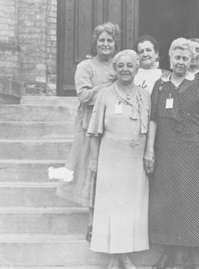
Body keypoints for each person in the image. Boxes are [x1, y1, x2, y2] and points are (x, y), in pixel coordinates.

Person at [144, 38, 199, 269]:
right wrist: (149, 151)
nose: (181, 62)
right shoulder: (161, 86)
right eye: (177, 58)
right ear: (170, 59)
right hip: (165, 152)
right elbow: (153, 119)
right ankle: (169, 253)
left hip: (192, 153)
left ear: (191, 60)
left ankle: (185, 257)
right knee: (167, 202)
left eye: (185, 58)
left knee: (189, 203)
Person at [87, 49, 150, 269]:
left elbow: (149, 128)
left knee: (130, 207)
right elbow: (94, 132)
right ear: (115, 69)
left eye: (129, 65)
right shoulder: (105, 94)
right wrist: (94, 162)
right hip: (111, 159)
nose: (125, 69)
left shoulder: (144, 95)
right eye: (120, 65)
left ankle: (124, 255)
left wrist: (148, 153)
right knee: (111, 207)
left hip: (135, 160)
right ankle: (114, 258)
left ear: (137, 68)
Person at [56, 22, 119, 217]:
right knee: (90, 168)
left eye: (110, 40)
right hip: (90, 125)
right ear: (95, 42)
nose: (105, 44)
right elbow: (84, 96)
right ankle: (92, 219)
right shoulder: (86, 66)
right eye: (102, 40)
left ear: (115, 43)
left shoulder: (118, 65)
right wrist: (110, 85)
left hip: (113, 124)